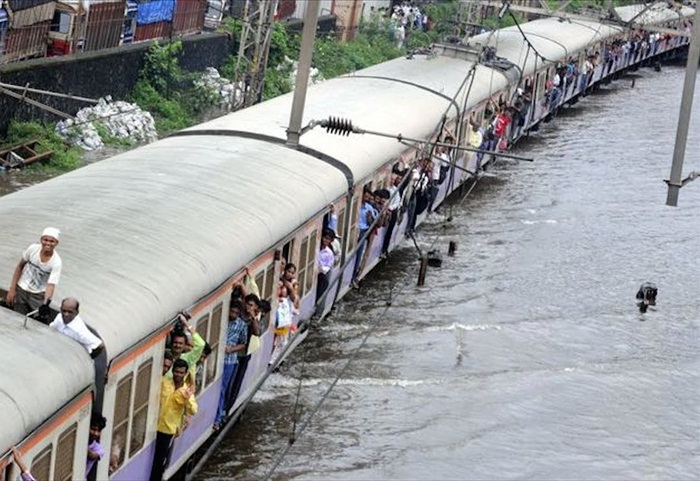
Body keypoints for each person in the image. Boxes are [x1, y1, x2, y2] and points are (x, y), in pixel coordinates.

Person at [150, 358, 197, 481]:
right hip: (154, 425)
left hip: (168, 429)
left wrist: (187, 399)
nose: (178, 375)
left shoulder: (186, 391)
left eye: (181, 373)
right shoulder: (164, 382)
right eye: (176, 372)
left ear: (185, 373)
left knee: (160, 460)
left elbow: (193, 410)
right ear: (173, 371)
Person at [6, 227, 62, 319]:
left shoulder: (56, 262)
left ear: (56, 243)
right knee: (18, 317)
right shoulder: (32, 249)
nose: (48, 243)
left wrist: (46, 304)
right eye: (45, 240)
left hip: (38, 294)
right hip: (22, 289)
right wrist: (12, 289)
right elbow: (19, 267)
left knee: (39, 319)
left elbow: (51, 285)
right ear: (41, 240)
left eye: (52, 241)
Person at [213, 303, 247, 430]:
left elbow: (243, 343)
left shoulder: (241, 325)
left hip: (229, 360)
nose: (233, 315)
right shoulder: (222, 320)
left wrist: (232, 349)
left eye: (235, 313)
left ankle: (218, 418)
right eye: (231, 312)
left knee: (222, 388)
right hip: (217, 357)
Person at [86, 413, 107, 479]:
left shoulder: (98, 448)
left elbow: (92, 455)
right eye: (93, 429)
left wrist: (83, 447)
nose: (96, 433)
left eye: (98, 431)